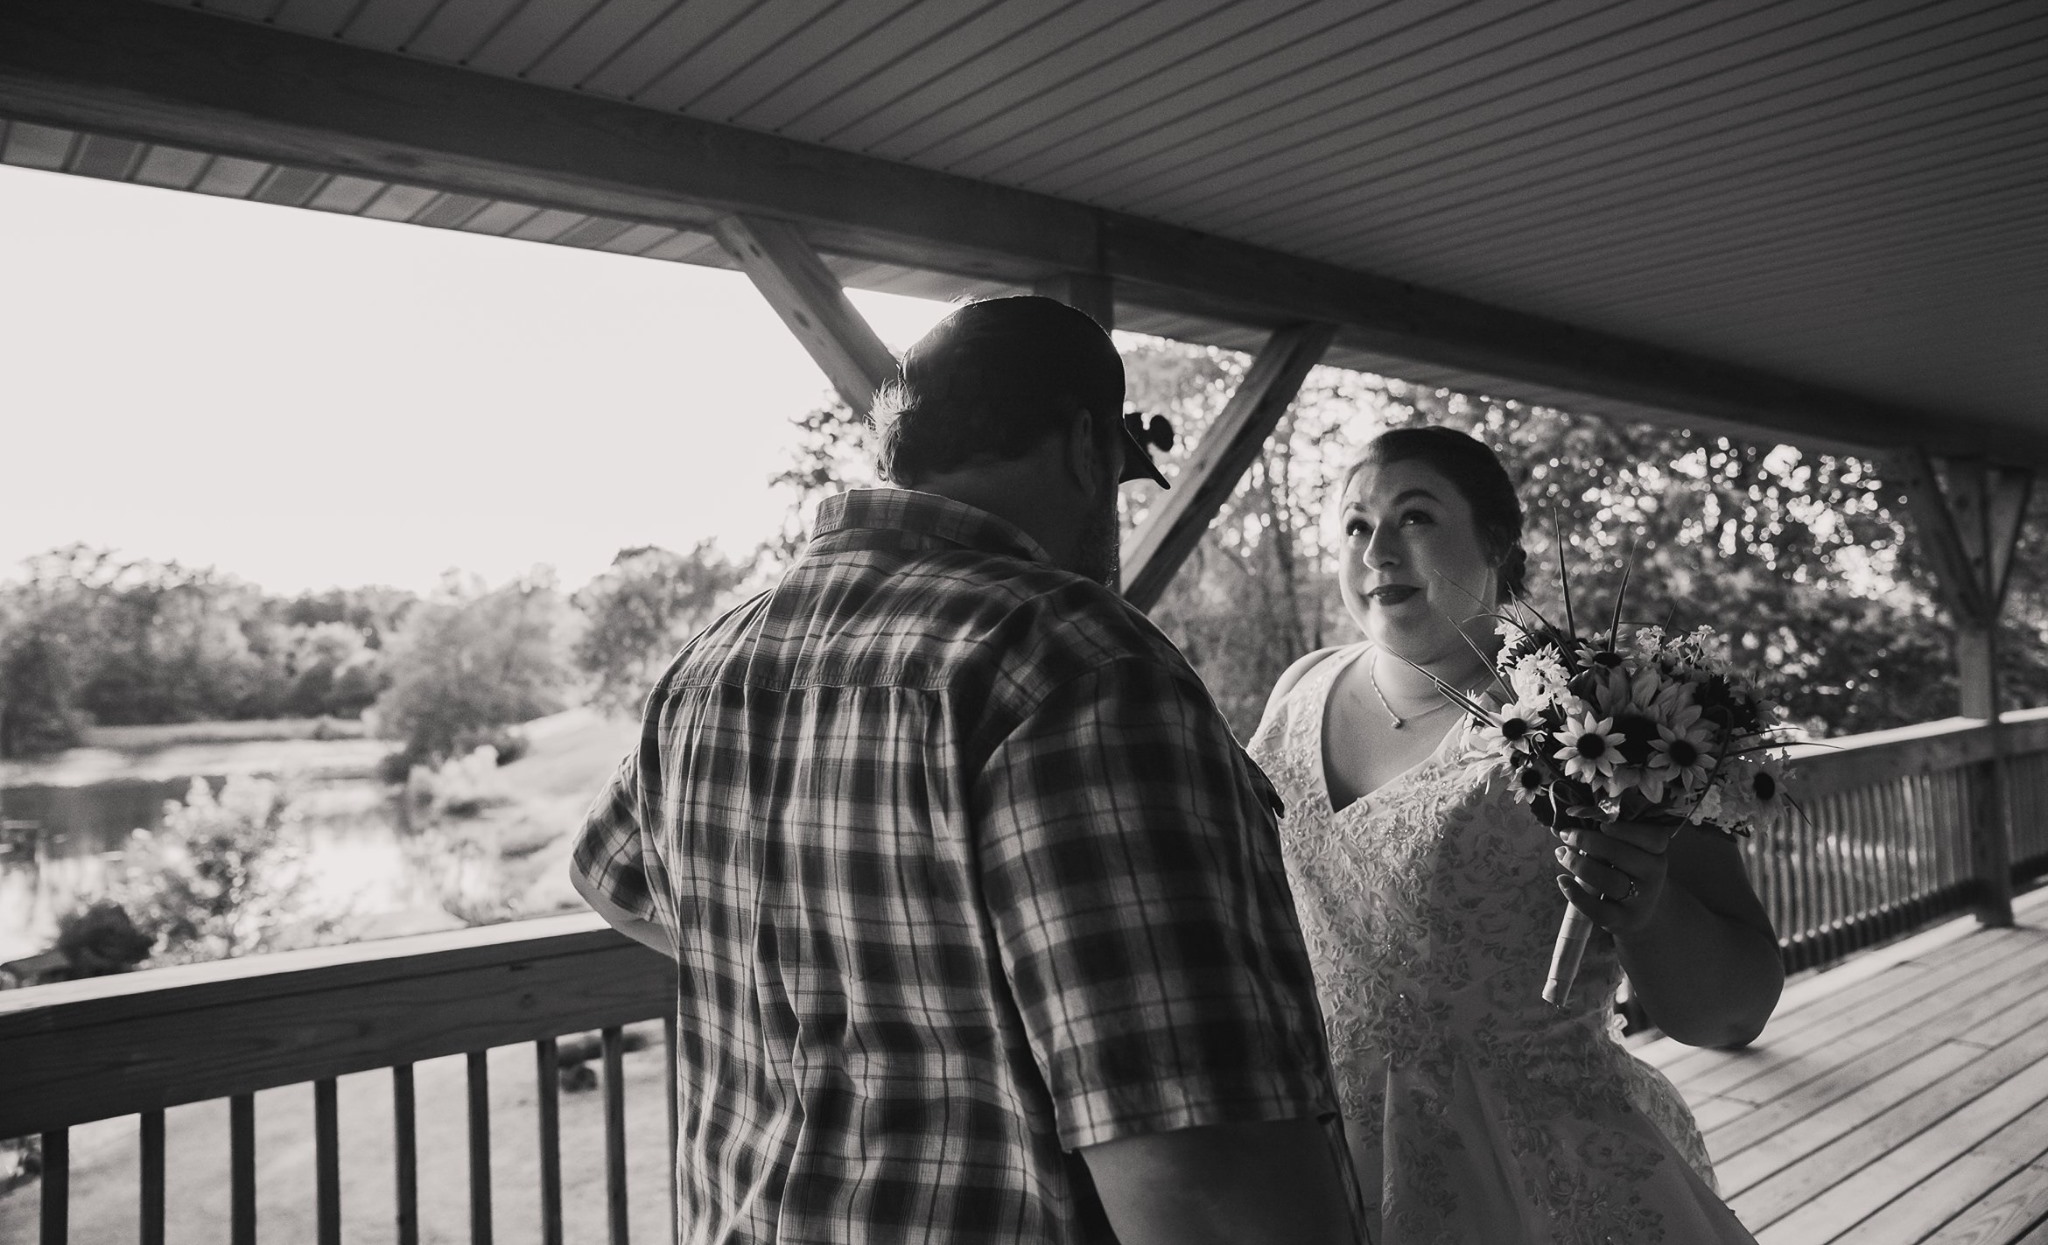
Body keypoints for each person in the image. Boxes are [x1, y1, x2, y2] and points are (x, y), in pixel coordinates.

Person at [571, 296, 1362, 1245]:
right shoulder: (1075, 663)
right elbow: (1204, 1182)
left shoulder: (712, 664)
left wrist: (848, 985)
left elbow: (610, 879)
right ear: (1086, 447)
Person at [1249, 425, 1781, 1245]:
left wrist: (1652, 907)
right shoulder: (1298, 689)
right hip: (1311, 1167)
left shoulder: (1608, 711)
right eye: (1355, 524)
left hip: (1531, 1180)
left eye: (1415, 518)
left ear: (1498, 539)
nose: (1378, 549)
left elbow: (1730, 1013)